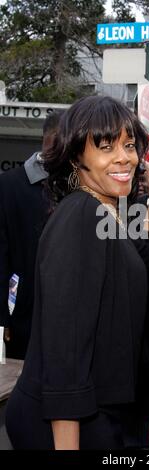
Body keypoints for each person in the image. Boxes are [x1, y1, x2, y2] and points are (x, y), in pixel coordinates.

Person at [5, 95, 149, 450]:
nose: (124, 157)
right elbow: (66, 351)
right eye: (105, 147)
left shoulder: (107, 212)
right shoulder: (82, 216)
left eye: (128, 145)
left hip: (102, 415)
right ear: (77, 156)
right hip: (69, 424)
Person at [0, 111, 62, 359]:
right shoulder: (10, 186)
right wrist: (2, 316)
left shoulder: (81, 186)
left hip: (67, 319)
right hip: (23, 316)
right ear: (47, 140)